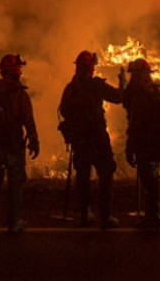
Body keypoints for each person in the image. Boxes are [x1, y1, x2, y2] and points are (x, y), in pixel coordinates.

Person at [57, 50, 122, 229]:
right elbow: (118, 97)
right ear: (91, 68)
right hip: (97, 137)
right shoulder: (95, 85)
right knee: (106, 173)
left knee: (83, 176)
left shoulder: (71, 88)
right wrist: (123, 82)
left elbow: (63, 111)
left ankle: (85, 213)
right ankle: (106, 214)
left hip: (80, 138)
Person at [0, 54, 39, 234]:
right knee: (15, 182)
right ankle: (14, 221)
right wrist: (34, 141)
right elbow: (28, 120)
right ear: (14, 73)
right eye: (18, 69)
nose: (20, 72)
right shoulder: (20, 95)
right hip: (13, 145)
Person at [121, 58, 160, 232]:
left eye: (134, 74)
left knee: (149, 182)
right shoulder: (152, 93)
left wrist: (129, 148)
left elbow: (136, 124)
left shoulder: (140, 96)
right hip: (155, 143)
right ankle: (154, 216)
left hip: (147, 144)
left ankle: (153, 219)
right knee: (152, 181)